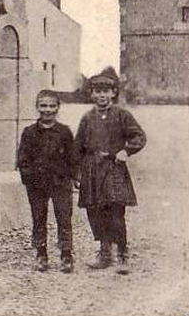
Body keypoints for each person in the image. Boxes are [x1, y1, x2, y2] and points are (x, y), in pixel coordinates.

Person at [75, 67, 146, 274]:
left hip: (114, 169)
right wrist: (77, 174)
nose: (101, 95)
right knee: (96, 211)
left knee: (116, 212)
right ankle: (105, 252)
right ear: (91, 94)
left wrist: (126, 150)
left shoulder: (122, 115)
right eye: (97, 91)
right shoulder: (87, 118)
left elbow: (139, 136)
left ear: (113, 93)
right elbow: (77, 147)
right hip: (92, 170)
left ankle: (122, 254)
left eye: (106, 91)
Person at [16, 89, 77, 273]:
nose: (47, 110)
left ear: (58, 107)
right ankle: (41, 254)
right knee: (38, 218)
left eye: (52, 106)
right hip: (37, 184)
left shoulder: (64, 132)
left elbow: (73, 157)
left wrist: (74, 177)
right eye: (43, 105)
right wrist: (29, 177)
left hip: (60, 183)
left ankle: (66, 255)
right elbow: (22, 159)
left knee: (64, 218)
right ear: (37, 107)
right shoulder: (29, 132)